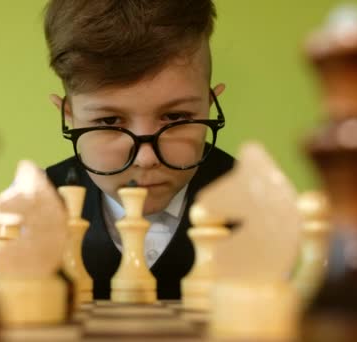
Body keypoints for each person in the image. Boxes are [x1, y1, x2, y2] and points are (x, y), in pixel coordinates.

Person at [44, 0, 234, 300]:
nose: (147, 159)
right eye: (109, 121)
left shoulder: (251, 204)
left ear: (209, 106)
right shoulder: (40, 206)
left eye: (176, 118)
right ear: (68, 115)